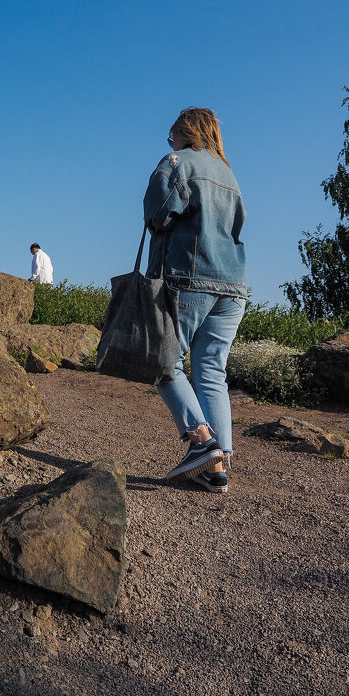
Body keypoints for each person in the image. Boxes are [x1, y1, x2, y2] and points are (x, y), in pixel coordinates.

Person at [143, 108, 247, 494]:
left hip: (191, 274)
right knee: (211, 370)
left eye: (171, 133)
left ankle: (203, 442)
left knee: (163, 360)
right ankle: (218, 464)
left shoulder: (177, 162)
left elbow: (155, 213)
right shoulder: (229, 174)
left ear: (184, 131)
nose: (169, 140)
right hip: (233, 285)